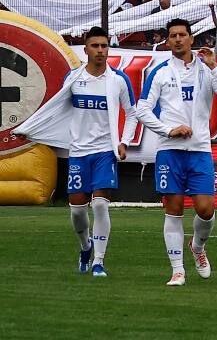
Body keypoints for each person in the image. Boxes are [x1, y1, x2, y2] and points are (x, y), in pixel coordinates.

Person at [15, 27, 135, 278]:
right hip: (79, 152)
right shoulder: (74, 78)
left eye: (104, 46)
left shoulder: (118, 80)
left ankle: (99, 262)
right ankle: (85, 246)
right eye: (95, 46)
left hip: (105, 152)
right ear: (86, 48)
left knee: (101, 205)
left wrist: (124, 141)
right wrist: (30, 129)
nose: (100, 51)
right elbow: (56, 108)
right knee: (78, 211)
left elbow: (132, 113)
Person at [133, 19, 217, 286]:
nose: (177, 39)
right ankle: (177, 270)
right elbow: (142, 109)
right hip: (170, 151)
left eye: (182, 35)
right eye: (172, 36)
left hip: (200, 149)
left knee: (206, 209)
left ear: (191, 39)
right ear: (167, 42)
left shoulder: (207, 70)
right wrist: (168, 130)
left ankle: (198, 247)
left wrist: (214, 66)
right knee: (174, 209)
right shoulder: (160, 72)